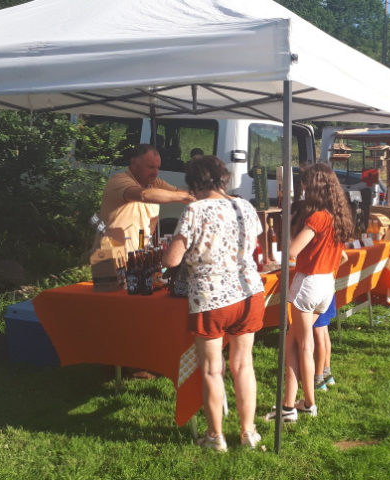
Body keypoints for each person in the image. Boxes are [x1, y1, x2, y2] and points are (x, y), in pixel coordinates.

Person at [162, 155, 265, 452]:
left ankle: (215, 436)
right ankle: (248, 433)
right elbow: (253, 246)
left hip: (210, 298)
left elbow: (172, 260)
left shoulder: (195, 210)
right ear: (223, 178)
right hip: (248, 293)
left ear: (194, 182)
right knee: (244, 365)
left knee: (212, 370)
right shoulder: (244, 205)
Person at [265, 163, 353, 422]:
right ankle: (289, 405)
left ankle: (309, 404)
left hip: (308, 284)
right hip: (327, 284)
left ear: (312, 186)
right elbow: (344, 256)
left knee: (303, 346)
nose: (302, 188)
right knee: (292, 344)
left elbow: (292, 250)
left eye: (304, 184)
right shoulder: (338, 215)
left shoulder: (317, 217)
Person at [99, 144, 194, 250]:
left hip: (138, 253)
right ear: (134, 164)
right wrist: (183, 197)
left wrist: (206, 199)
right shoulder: (119, 181)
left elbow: (179, 192)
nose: (155, 172)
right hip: (114, 254)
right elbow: (144, 195)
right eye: (150, 167)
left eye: (157, 168)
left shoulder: (154, 182)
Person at [313, 296, 336, 392]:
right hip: (328, 291)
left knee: (318, 334)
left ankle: (319, 379)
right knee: (324, 331)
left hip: (318, 294)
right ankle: (327, 373)